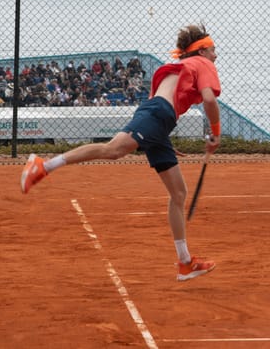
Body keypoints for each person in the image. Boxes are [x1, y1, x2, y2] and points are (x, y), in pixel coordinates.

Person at [20, 24, 222, 282]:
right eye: (213, 50)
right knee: (113, 149)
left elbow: (160, 103)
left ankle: (185, 263)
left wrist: (161, 137)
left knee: (179, 193)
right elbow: (208, 99)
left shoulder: (179, 67)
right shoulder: (203, 63)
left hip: (160, 119)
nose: (216, 55)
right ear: (202, 51)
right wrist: (215, 133)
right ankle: (43, 166)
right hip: (158, 115)